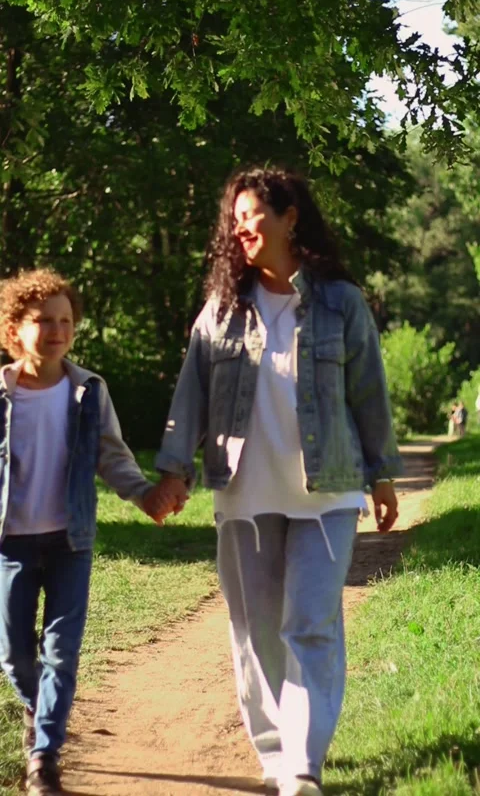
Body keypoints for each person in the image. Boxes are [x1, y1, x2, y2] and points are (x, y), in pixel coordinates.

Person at [146, 166, 402, 796]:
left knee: (311, 624)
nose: (242, 229)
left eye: (253, 215)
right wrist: (174, 470)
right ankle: (274, 753)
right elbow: (192, 395)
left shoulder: (342, 302)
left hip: (329, 491)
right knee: (256, 630)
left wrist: (383, 476)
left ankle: (303, 766)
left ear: (290, 218)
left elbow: (369, 393)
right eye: (234, 220)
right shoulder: (222, 310)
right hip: (244, 492)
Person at [0, 269, 169, 796]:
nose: (56, 330)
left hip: (71, 539)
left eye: (65, 321)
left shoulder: (88, 390)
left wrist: (143, 493)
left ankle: (44, 758)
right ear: (12, 329)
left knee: (62, 650)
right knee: (13, 653)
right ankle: (38, 709)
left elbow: (111, 455)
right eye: (42, 321)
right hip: (10, 542)